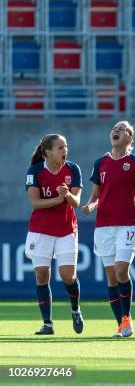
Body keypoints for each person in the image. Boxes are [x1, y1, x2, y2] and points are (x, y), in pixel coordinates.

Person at [81, 121, 135, 338]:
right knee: (111, 278)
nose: (116, 131)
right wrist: (91, 205)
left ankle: (127, 319)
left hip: (129, 222)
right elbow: (96, 194)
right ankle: (120, 325)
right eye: (114, 128)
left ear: (130, 137)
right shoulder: (100, 162)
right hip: (103, 225)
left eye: (122, 129)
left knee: (121, 270)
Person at [25, 134, 83, 335]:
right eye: (59, 147)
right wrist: (58, 200)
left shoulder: (73, 169)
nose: (64, 150)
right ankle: (47, 323)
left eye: (65, 146)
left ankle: (75, 310)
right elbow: (35, 203)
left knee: (68, 276)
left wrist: (66, 195)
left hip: (66, 229)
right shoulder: (35, 171)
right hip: (40, 230)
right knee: (42, 275)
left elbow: (76, 202)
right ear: (47, 152)